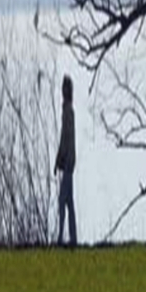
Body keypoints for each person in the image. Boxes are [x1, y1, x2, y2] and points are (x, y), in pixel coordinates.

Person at [55, 73, 78, 247]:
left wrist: (61, 160)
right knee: (68, 202)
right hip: (68, 161)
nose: (64, 91)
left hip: (68, 162)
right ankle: (72, 237)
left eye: (66, 88)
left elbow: (66, 138)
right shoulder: (67, 110)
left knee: (63, 201)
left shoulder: (68, 111)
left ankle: (61, 237)